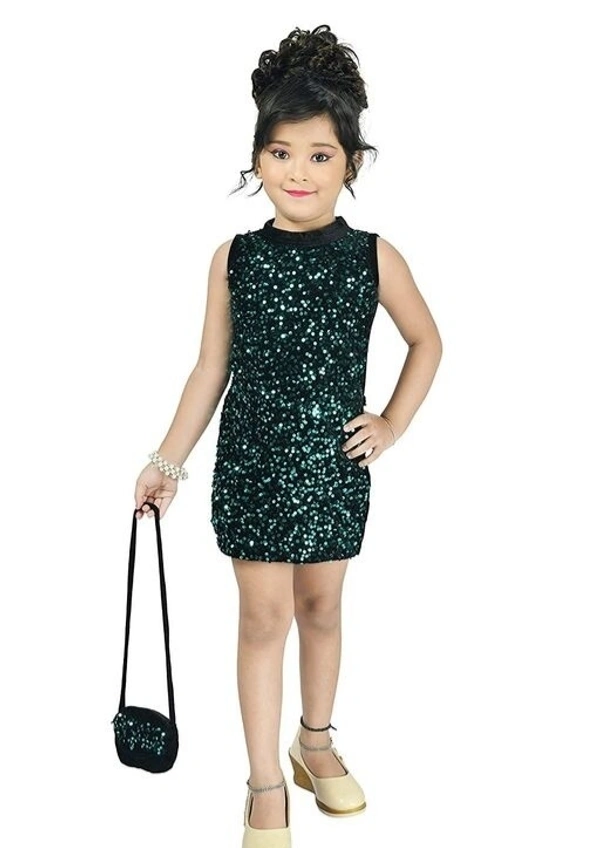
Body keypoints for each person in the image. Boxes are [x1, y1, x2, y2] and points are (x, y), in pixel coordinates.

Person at [134, 23, 442, 848]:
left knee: (323, 608)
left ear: (351, 164)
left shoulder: (373, 256)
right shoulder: (234, 258)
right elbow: (210, 370)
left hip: (333, 468)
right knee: (263, 619)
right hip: (253, 464)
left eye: (318, 155)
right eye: (280, 153)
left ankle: (315, 742)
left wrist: (392, 422)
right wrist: (167, 461)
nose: (297, 172)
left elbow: (426, 341)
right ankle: (264, 782)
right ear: (257, 158)